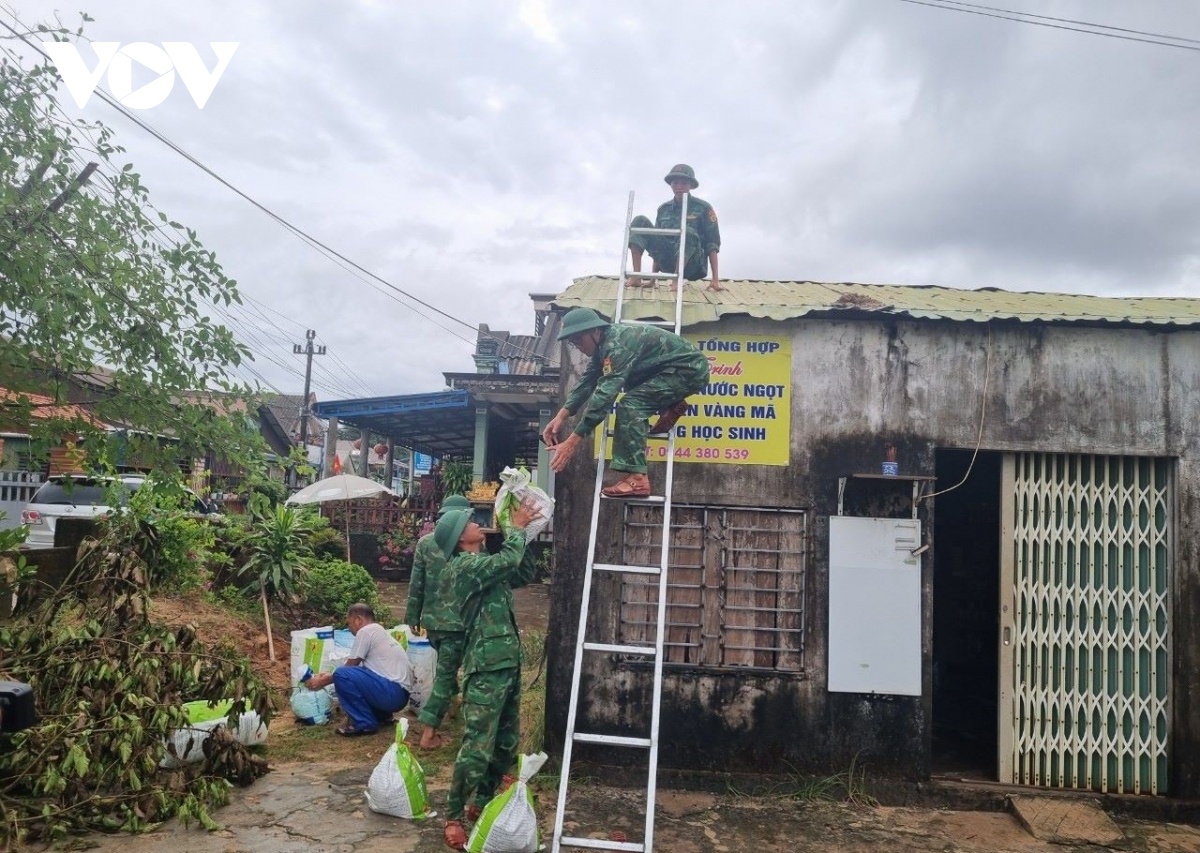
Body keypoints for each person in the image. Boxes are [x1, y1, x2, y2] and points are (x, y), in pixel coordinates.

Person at [435, 500, 541, 851]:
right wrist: (517, 529)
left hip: (506, 662)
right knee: (477, 747)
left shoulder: (484, 564)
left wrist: (530, 535)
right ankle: (452, 814)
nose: (477, 523)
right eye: (469, 522)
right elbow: (507, 560)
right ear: (459, 538)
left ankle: (481, 800)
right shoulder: (463, 567)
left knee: (506, 744)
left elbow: (522, 572)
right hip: (484, 666)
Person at [542, 307, 710, 498]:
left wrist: (571, 442)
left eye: (578, 340)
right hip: (666, 371)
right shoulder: (602, 348)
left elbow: (604, 396)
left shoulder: (617, 346)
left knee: (631, 405)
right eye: (573, 343)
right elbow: (587, 382)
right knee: (631, 385)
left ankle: (637, 480)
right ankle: (670, 404)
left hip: (688, 371)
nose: (578, 346)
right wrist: (560, 417)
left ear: (595, 331)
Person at [404, 493, 473, 750]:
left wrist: (413, 615)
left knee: (447, 668)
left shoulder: (424, 544)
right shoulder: (467, 544)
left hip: (433, 624)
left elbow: (416, 583)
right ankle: (429, 731)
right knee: (446, 675)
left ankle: (452, 709)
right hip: (458, 624)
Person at [305, 602, 413, 737]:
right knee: (347, 674)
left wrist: (323, 681)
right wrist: (329, 675)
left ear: (359, 620)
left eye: (349, 624)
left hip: (391, 694)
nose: (349, 629)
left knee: (341, 674)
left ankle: (364, 723)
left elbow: (350, 667)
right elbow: (362, 672)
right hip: (400, 696)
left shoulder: (366, 631)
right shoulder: (379, 631)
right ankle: (381, 716)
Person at [627, 163, 723, 292]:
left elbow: (713, 244)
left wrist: (715, 280)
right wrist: (652, 280)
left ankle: (676, 281)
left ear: (691, 185)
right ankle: (636, 277)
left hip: (693, 264)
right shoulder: (663, 210)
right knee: (640, 221)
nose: (679, 187)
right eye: (675, 183)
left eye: (684, 183)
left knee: (687, 232)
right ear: (671, 184)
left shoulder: (703, 208)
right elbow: (658, 242)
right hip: (668, 261)